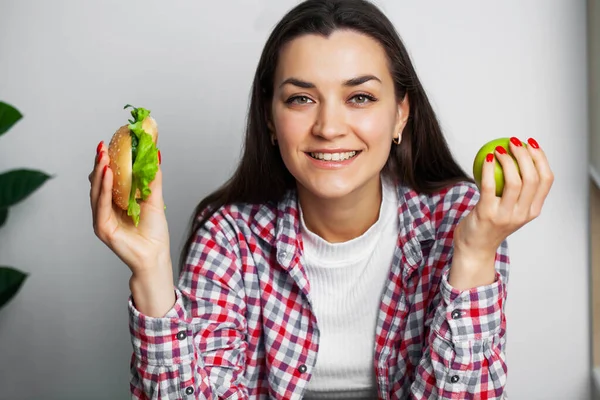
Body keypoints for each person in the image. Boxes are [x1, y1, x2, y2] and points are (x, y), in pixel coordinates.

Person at [89, 0, 554, 399]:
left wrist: (474, 255)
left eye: (361, 97)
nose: (329, 127)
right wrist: (150, 274)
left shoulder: (461, 222)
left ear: (401, 115)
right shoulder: (229, 238)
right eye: (300, 100)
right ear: (270, 120)